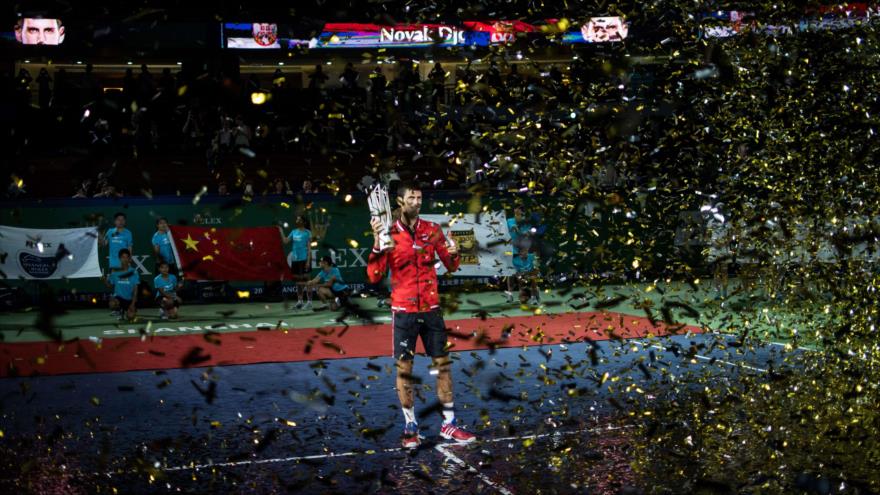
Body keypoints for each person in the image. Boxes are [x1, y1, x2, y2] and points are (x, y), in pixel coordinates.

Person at [367, 181, 476, 449]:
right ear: (400, 201)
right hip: (403, 312)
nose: (417, 202)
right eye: (412, 198)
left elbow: (450, 265)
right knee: (405, 370)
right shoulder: (388, 233)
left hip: (431, 310)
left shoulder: (432, 230)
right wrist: (377, 244)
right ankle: (411, 425)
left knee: (443, 367)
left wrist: (455, 254)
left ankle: (449, 424)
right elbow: (374, 277)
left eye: (419, 198)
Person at [279, 215, 313, 309]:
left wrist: (308, 261)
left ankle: (309, 302)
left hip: (304, 259)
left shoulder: (307, 233)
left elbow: (309, 248)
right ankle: (300, 301)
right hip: (295, 260)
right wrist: (281, 231)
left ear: (303, 222)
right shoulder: (293, 231)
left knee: (307, 281)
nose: (297, 220)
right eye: (297, 219)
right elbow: (285, 241)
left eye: (299, 219)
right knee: (298, 282)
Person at [103, 249, 139, 321]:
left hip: (130, 299)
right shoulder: (115, 271)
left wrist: (132, 304)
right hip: (118, 298)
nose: (125, 259)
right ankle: (119, 311)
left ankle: (126, 311)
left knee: (131, 317)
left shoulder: (133, 272)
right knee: (112, 304)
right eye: (123, 257)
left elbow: (135, 290)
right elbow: (109, 286)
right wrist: (104, 280)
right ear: (119, 258)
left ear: (129, 259)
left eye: (127, 257)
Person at [505, 206, 531, 302]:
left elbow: (526, 236)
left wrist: (518, 230)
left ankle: (522, 294)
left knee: (520, 274)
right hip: (510, 249)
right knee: (509, 273)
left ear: (521, 211)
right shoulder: (509, 220)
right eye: (515, 208)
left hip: (521, 249)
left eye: (518, 208)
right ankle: (510, 295)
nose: (515, 209)